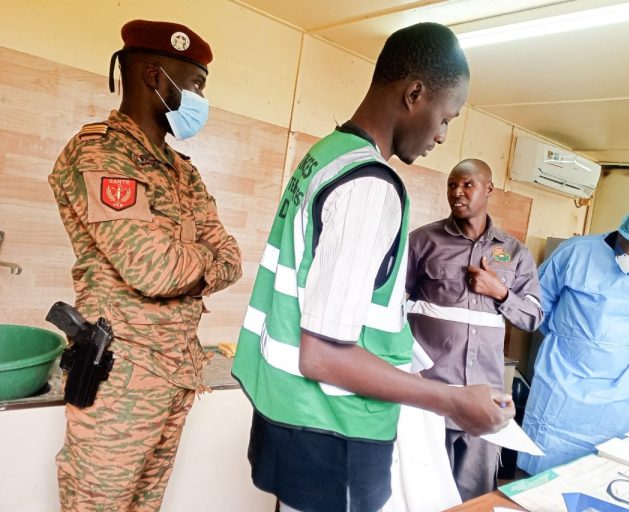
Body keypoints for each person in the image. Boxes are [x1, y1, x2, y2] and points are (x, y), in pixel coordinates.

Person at [232, 23, 514, 512]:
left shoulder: (326, 154)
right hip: (332, 431)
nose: (441, 136)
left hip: (290, 417)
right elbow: (322, 356)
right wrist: (451, 400)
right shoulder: (370, 185)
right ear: (414, 94)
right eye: (445, 118)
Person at [48, 20, 242, 511]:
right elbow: (154, 270)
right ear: (155, 76)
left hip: (177, 372)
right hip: (122, 380)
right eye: (195, 84)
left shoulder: (182, 170)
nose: (200, 98)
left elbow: (232, 257)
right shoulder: (101, 152)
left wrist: (192, 264)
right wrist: (202, 263)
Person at [406, 158, 543, 500]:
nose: (458, 192)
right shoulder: (422, 242)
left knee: (475, 495)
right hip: (432, 395)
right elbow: (391, 305)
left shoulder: (514, 253)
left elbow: (532, 317)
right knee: (424, 493)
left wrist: (500, 292)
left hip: (485, 399)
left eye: (468, 185)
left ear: (489, 189)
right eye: (452, 185)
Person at [517, 206, 629, 475]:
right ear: (622, 233)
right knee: (544, 457)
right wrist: (574, 340)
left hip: (621, 384)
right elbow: (538, 303)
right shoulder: (576, 252)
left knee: (603, 466)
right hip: (564, 372)